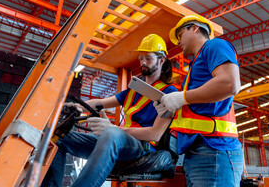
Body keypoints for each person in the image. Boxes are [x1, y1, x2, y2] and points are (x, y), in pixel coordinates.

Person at [41, 34, 177, 187]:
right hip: (118, 141)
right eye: (141, 58)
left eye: (148, 58)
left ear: (161, 60)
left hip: (142, 147)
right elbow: (99, 103)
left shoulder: (169, 94)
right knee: (60, 139)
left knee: (111, 133)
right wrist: (76, 107)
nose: (143, 62)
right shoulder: (133, 91)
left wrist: (114, 128)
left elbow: (155, 134)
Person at [155, 15, 244, 187]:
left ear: (194, 28)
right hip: (202, 150)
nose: (178, 41)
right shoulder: (196, 64)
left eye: (180, 35)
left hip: (214, 149)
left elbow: (230, 83)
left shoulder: (215, 45)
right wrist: (173, 110)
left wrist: (182, 97)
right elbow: (203, 107)